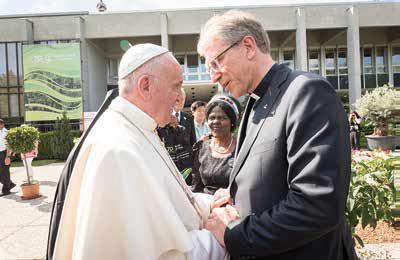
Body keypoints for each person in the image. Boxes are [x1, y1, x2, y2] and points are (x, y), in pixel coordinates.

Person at [197, 10, 357, 260]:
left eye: (216, 62)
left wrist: (234, 234)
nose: (214, 75)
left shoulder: (306, 92)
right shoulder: (253, 102)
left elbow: (317, 205)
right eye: (209, 68)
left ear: (248, 46)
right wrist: (236, 192)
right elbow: (272, 168)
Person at [51, 44, 225, 260]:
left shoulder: (141, 128)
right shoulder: (117, 150)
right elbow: (157, 254)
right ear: (145, 86)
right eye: (176, 86)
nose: (180, 99)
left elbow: (172, 202)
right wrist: (218, 236)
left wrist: (209, 202)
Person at [191, 95, 239, 195]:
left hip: (236, 207)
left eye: (222, 118)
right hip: (208, 206)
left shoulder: (242, 147)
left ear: (232, 121)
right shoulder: (202, 148)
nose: (216, 122)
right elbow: (196, 186)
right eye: (212, 117)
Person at [157, 113, 194, 185]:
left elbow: (189, 144)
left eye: (175, 122)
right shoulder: (160, 131)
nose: (173, 123)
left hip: (184, 163)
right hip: (170, 166)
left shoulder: (182, 129)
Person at [0, 119, 16, 196]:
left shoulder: (6, 133)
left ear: (2, 125)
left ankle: (6, 190)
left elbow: (9, 146)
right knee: (2, 173)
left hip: (4, 153)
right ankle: (10, 183)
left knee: (5, 172)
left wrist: (7, 157)